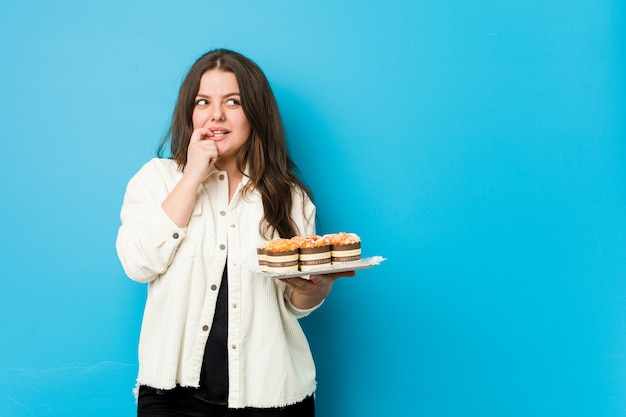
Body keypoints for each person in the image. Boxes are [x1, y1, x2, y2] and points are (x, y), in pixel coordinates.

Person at [116, 48, 355, 417]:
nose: (216, 115)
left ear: (255, 113)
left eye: (233, 101)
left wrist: (317, 289)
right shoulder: (156, 180)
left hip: (272, 395)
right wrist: (194, 174)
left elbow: (294, 306)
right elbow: (139, 264)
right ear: (189, 112)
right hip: (172, 398)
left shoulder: (289, 197)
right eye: (203, 102)